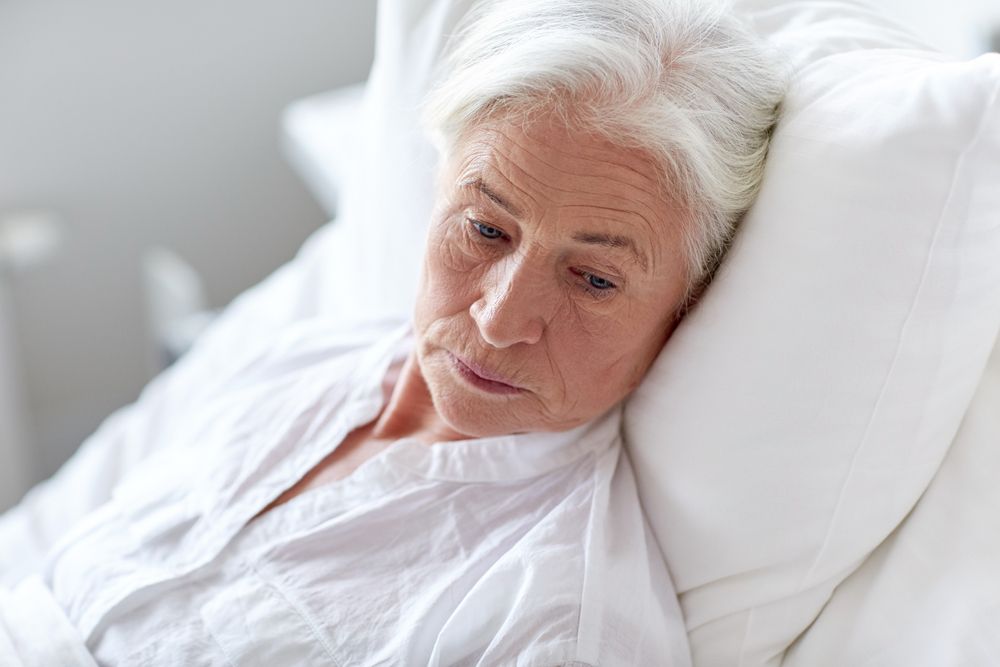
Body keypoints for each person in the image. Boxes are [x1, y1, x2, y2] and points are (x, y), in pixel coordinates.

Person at [0, 0, 784, 664]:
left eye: (595, 279)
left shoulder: (548, 624)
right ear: (439, 190)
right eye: (484, 228)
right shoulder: (303, 354)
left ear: (684, 305)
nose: (500, 317)